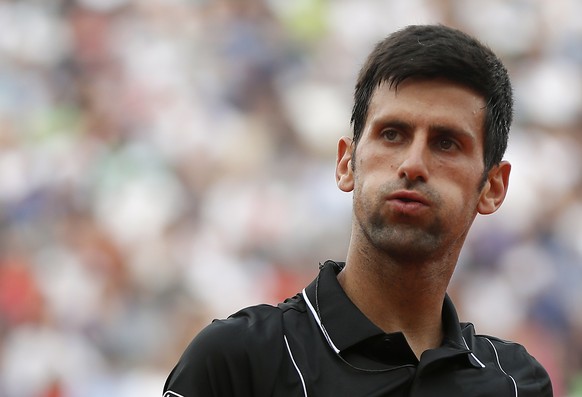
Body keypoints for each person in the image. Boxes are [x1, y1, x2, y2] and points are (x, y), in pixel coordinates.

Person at [163, 24, 553, 396]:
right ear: (347, 163)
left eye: (446, 143)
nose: (412, 164)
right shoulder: (238, 360)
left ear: (493, 186)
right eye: (392, 134)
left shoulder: (518, 383)